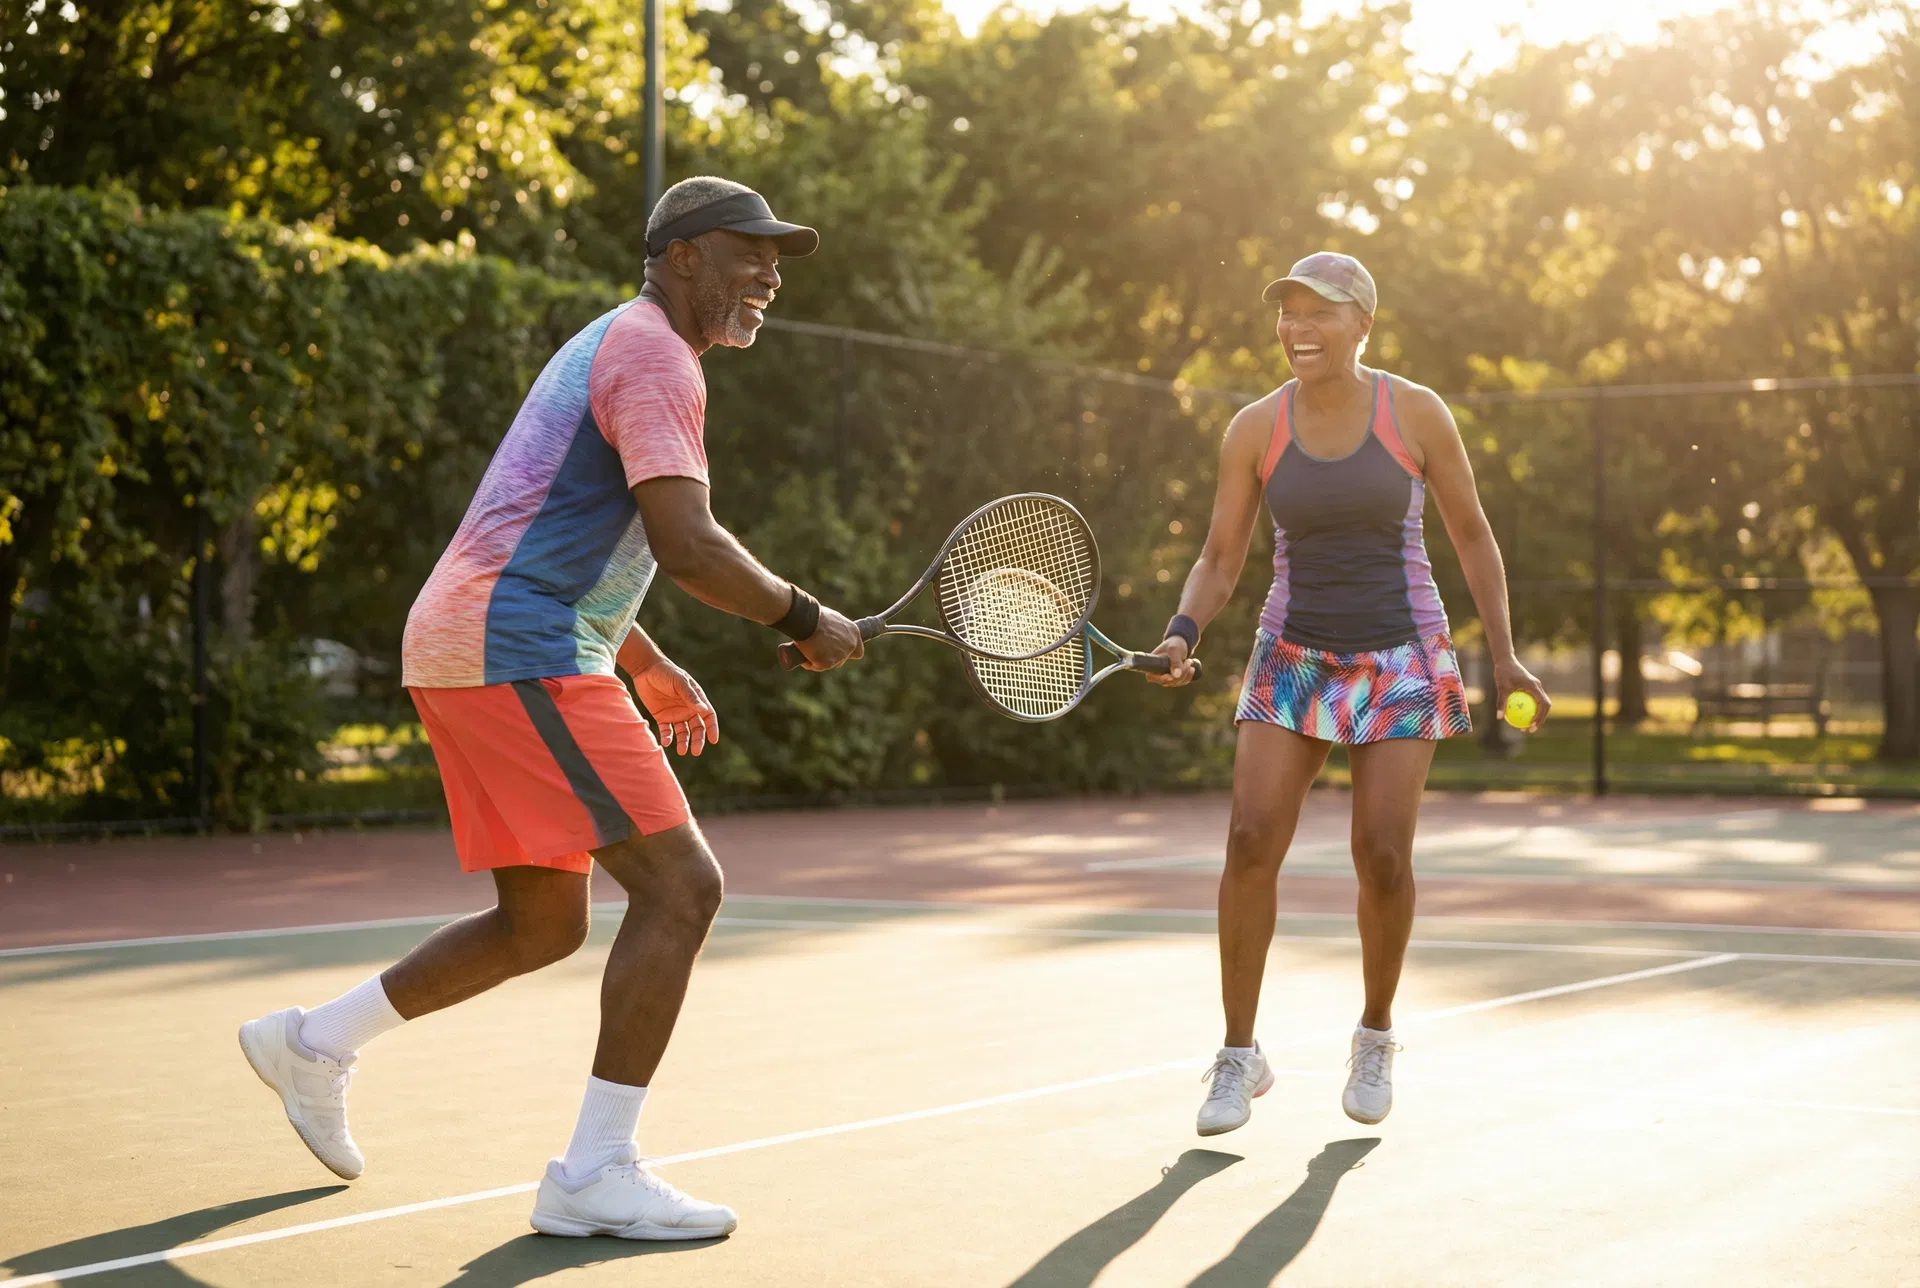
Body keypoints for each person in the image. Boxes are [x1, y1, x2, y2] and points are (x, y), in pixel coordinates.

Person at [239, 177, 865, 1241]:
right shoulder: (656, 354)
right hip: (515, 645)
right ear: (680, 257)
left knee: (546, 921)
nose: (768, 273)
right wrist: (804, 614)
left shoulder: (617, 343)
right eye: (746, 251)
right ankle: (594, 1171)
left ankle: (313, 1041)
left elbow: (542, 524)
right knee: (682, 887)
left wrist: (644, 657)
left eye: (778, 257)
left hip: (477, 640)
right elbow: (690, 544)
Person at [1148, 251, 1549, 1137]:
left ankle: (1374, 1033)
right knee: (1250, 839)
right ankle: (1238, 1056)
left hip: (1403, 653)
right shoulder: (1256, 428)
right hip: (1292, 652)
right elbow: (1221, 557)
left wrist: (1507, 657)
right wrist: (1184, 629)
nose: (1299, 328)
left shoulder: (1415, 413)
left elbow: (1473, 538)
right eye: (1288, 312)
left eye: (1320, 312)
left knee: (1383, 855)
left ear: (1363, 323)